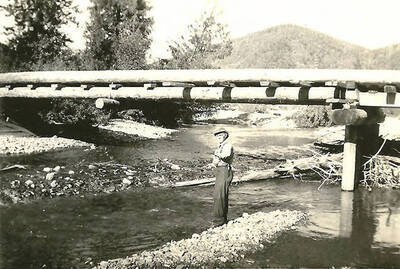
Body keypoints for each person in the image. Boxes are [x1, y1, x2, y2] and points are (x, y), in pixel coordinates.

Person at [210, 128, 234, 226]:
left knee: (220, 195)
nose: (218, 138)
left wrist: (216, 154)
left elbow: (226, 155)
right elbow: (216, 160)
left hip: (225, 171)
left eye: (220, 136)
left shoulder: (228, 145)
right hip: (220, 171)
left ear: (225, 136)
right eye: (217, 136)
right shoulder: (220, 146)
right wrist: (213, 164)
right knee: (218, 195)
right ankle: (221, 219)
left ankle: (219, 221)